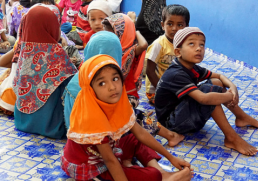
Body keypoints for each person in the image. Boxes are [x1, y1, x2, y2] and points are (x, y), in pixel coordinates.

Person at [61, 54, 193, 181]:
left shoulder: (117, 102)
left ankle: (162, 172)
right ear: (91, 89)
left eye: (115, 79)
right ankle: (160, 177)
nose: (112, 87)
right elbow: (110, 160)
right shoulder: (91, 116)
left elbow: (140, 132)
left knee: (134, 138)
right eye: (102, 83)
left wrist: (171, 158)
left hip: (108, 151)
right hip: (91, 166)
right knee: (151, 175)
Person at [155, 27, 258, 156]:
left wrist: (233, 87)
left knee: (215, 82)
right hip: (173, 123)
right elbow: (204, 99)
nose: (198, 48)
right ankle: (231, 138)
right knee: (208, 94)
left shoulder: (190, 67)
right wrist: (229, 96)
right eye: (191, 44)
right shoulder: (176, 74)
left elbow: (219, 76)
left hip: (182, 113)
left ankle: (241, 117)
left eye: (202, 44)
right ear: (178, 52)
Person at [64, 31, 185, 147]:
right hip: (101, 140)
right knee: (135, 118)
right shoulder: (102, 82)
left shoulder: (80, 78)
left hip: (75, 135)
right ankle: (170, 135)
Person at [12, 6, 77, 139]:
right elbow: (73, 83)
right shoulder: (56, 53)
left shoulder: (24, 49)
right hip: (51, 127)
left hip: (21, 123)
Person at [145, 4, 189, 104]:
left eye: (180, 25)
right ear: (162, 25)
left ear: (186, 27)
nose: (174, 28)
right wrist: (162, 90)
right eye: (170, 24)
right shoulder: (158, 45)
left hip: (173, 86)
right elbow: (149, 71)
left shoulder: (184, 44)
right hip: (156, 89)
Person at [102, 13, 148, 108]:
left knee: (127, 106)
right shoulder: (106, 50)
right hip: (109, 92)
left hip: (128, 94)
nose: (109, 38)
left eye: (113, 35)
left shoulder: (131, 51)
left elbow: (143, 45)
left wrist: (135, 30)